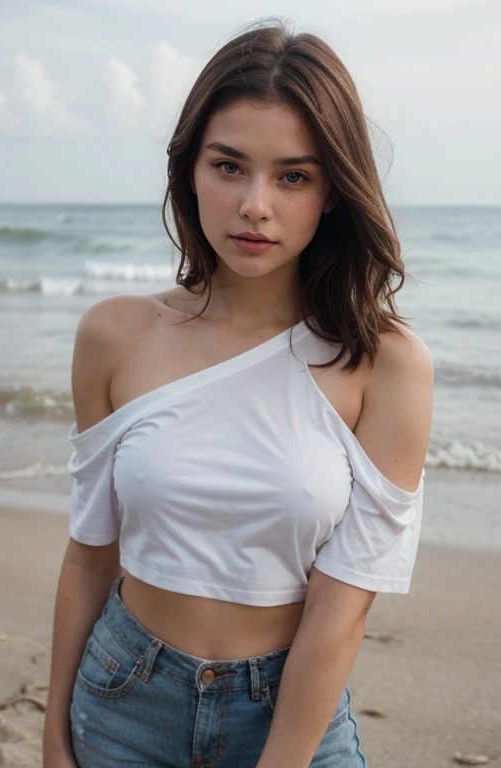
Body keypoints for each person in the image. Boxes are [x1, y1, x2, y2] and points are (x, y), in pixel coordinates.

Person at [42, 16, 433, 768]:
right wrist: (55, 736)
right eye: (229, 166)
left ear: (332, 194)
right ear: (190, 170)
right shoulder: (114, 336)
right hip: (125, 694)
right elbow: (91, 556)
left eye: (293, 176)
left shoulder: (386, 364)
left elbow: (343, 601)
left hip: (294, 713)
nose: (256, 204)